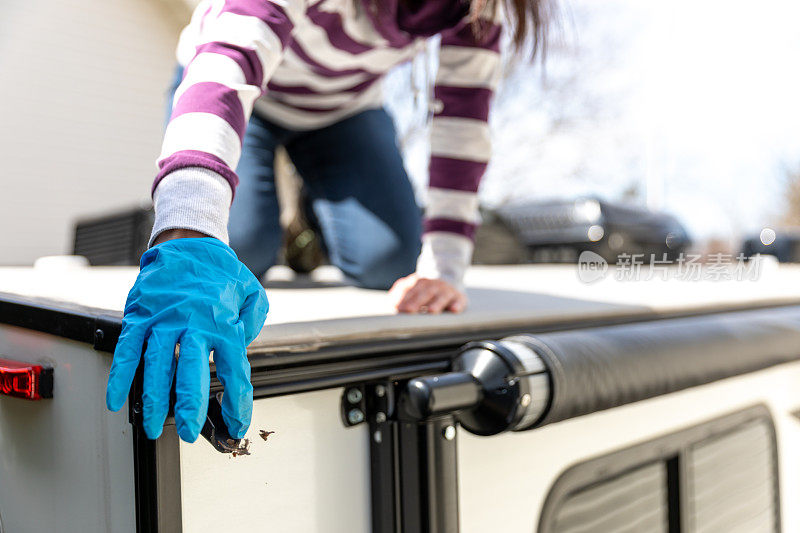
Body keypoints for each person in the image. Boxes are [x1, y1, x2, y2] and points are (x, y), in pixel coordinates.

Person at [106, 0, 550, 444]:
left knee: (389, 262)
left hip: (342, 112)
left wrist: (444, 267)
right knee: (242, 246)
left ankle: (315, 206)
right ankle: (187, 216)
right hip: (243, 94)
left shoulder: (477, 9)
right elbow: (230, 63)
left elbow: (463, 125)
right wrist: (188, 230)